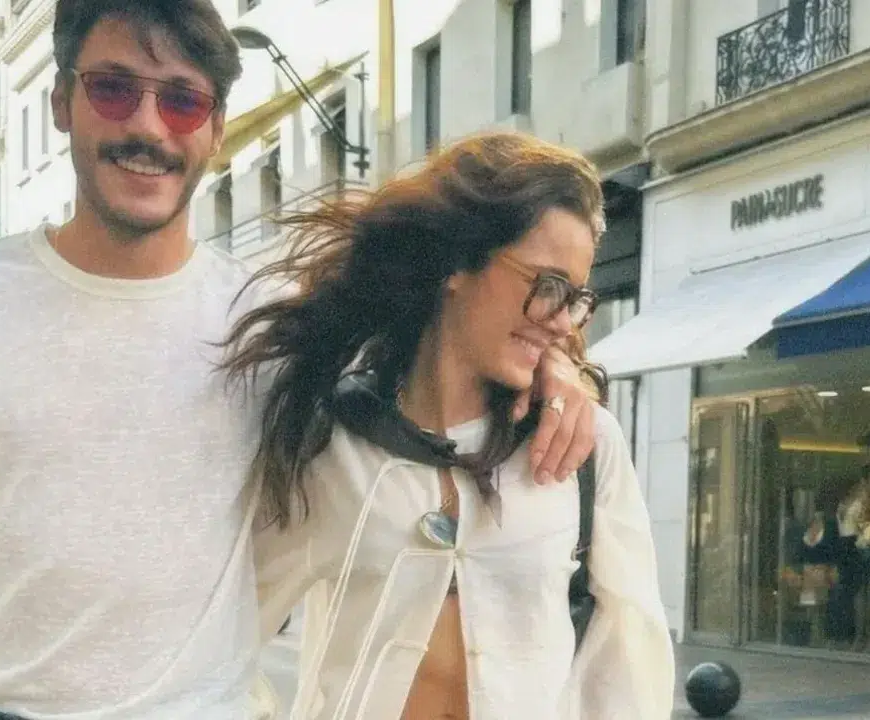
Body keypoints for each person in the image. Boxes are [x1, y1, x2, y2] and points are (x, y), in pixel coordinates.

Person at [0, 3, 597, 719]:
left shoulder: (275, 324)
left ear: (215, 127)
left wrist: (561, 370)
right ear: (61, 101)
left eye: (182, 100)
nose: (148, 126)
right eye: (114, 88)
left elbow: (442, 361)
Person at [225, 132, 674, 719]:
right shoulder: (332, 443)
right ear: (458, 262)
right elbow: (222, 637)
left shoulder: (579, 446)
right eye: (547, 286)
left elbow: (628, 664)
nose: (564, 322)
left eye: (576, 298)